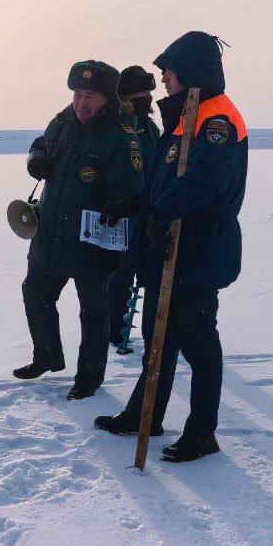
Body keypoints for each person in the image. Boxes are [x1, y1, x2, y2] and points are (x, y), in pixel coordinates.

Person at [95, 31, 248, 463]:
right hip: (168, 249)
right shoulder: (185, 117)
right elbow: (166, 182)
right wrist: (137, 206)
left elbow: (205, 180)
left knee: (199, 343)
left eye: (169, 70)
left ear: (190, 72)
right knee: (157, 339)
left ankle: (202, 434)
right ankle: (144, 415)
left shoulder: (216, 119)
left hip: (197, 251)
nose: (163, 78)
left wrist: (164, 213)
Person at [14, 60, 144, 400]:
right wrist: (35, 160)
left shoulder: (120, 137)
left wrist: (121, 204)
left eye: (90, 96)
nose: (81, 103)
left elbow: (133, 187)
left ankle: (89, 378)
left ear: (107, 99)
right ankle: (47, 355)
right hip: (51, 233)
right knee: (36, 292)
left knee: (94, 312)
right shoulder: (62, 122)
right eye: (77, 93)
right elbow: (39, 144)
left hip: (92, 241)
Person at [106, 66, 161, 351]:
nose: (147, 99)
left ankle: (154, 335)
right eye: (141, 94)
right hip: (119, 218)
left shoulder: (150, 128)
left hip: (148, 216)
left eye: (149, 93)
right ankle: (113, 333)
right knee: (118, 281)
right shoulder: (114, 128)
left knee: (152, 278)